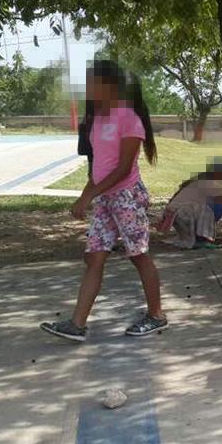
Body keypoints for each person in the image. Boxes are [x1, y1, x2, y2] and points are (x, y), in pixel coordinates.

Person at [41, 60, 167, 341]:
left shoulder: (129, 119)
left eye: (90, 84)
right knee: (93, 258)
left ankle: (157, 315)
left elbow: (122, 168)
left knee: (139, 256)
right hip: (104, 198)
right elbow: (99, 166)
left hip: (127, 197)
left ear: (108, 86)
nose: (86, 90)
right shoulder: (97, 120)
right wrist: (86, 194)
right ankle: (77, 325)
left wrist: (89, 195)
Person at [161, 160, 222, 249]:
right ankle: (201, 238)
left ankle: (195, 236)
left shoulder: (199, 180)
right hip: (183, 215)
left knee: (212, 206)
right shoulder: (213, 185)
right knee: (214, 209)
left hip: (174, 215)